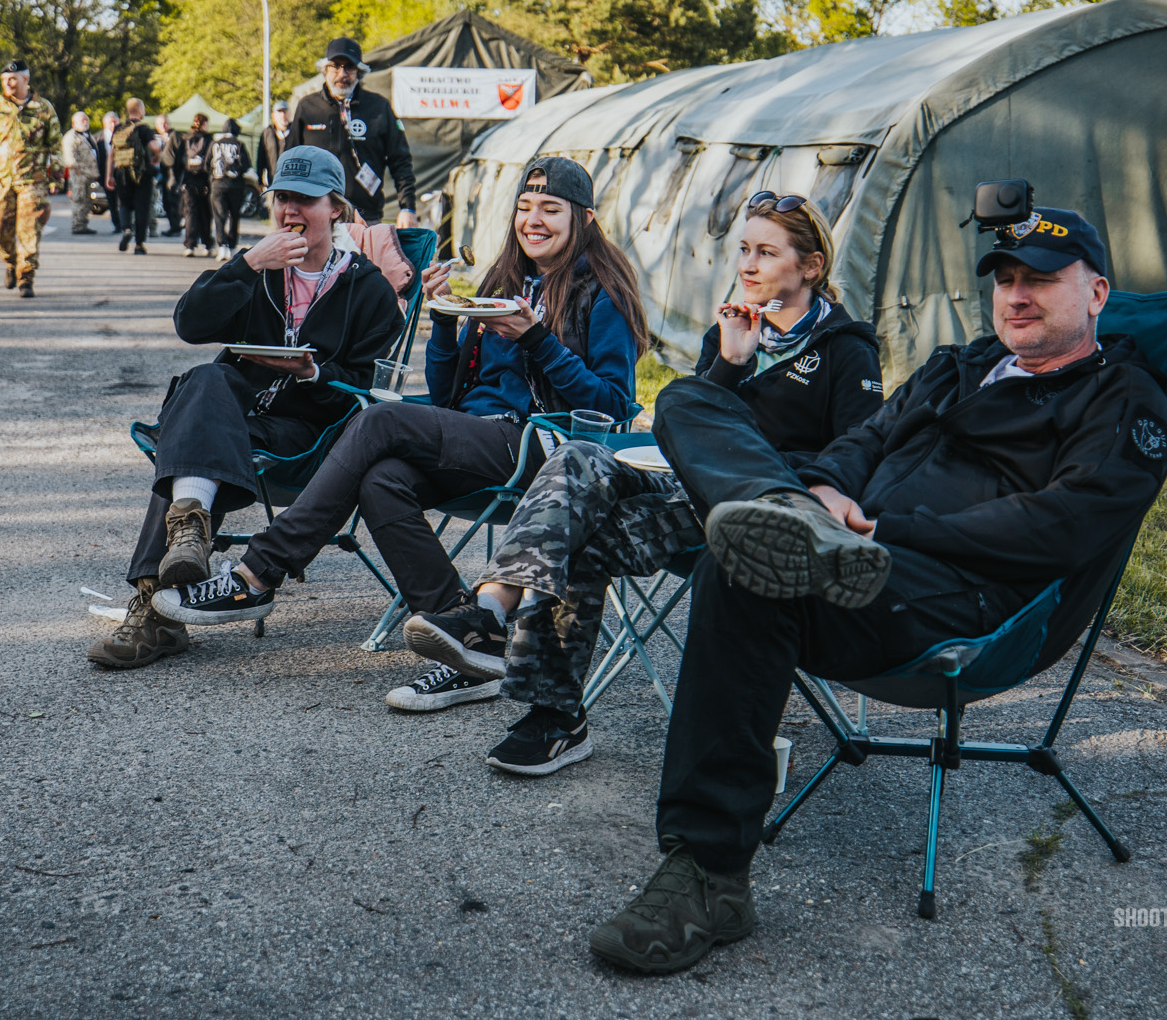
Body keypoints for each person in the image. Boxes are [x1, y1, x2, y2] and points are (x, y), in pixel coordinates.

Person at [585, 207, 1167, 975]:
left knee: (738, 572)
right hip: (851, 549)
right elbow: (864, 438)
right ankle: (789, 515)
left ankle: (708, 873)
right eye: (1005, 278)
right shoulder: (957, 364)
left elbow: (1059, 525)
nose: (1016, 293)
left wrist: (885, 527)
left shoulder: (1124, 399)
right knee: (688, 403)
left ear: (1096, 292)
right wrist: (827, 485)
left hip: (963, 593)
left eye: (1040, 278)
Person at [392, 194, 884, 772]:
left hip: (760, 511)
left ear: (810, 267)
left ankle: (550, 708)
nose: (747, 265)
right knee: (579, 458)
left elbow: (853, 456)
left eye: (766, 253)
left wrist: (733, 386)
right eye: (744, 249)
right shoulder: (728, 331)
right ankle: (495, 621)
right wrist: (728, 364)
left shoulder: (848, 350)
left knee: (586, 535)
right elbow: (691, 434)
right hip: (689, 489)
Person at [154, 157, 643, 644]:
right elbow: (451, 392)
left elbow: (614, 404)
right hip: (480, 435)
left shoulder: (602, 292)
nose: (533, 221)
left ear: (585, 218)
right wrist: (447, 322)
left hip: (544, 446)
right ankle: (467, 628)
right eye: (524, 207)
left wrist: (537, 340)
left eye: (551, 209)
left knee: (380, 421)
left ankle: (256, 574)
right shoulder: (505, 282)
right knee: (381, 479)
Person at [88, 146, 405, 669]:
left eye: (305, 200)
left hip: (303, 434)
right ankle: (187, 530)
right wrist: (249, 262)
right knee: (207, 379)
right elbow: (190, 323)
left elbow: (370, 390)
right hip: (230, 416)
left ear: (337, 208)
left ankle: (154, 615)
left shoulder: (367, 288)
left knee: (186, 439)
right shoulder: (259, 268)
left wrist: (314, 373)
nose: (290, 212)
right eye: (282, 198)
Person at [287, 38, 416, 227]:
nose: (342, 73)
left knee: (364, 257)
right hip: (315, 215)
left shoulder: (379, 107)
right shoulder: (307, 107)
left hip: (365, 217)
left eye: (349, 67)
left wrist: (408, 207)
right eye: (335, 66)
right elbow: (290, 160)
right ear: (325, 69)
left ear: (359, 72)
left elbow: (401, 161)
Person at [0, 60, 58, 298]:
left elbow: (55, 143)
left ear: (25, 80)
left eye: (12, 79)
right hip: (0, 181)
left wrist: (57, 175)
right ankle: (11, 261)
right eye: (4, 79)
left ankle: (26, 278)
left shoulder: (43, 108)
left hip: (33, 181)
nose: (7, 83)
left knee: (29, 231)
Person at [109, 98, 160, 255]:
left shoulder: (118, 128)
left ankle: (126, 229)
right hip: (141, 173)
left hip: (121, 172)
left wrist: (108, 175)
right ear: (139, 111)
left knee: (124, 204)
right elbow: (155, 146)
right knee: (141, 207)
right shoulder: (144, 128)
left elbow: (111, 154)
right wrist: (157, 157)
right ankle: (139, 244)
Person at [208, 117, 250, 261]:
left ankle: (221, 245)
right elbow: (246, 164)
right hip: (236, 186)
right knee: (234, 216)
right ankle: (232, 246)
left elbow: (207, 163)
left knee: (219, 216)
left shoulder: (215, 144)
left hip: (218, 185)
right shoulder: (239, 144)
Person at [180, 111, 214, 256]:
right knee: (205, 213)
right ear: (205, 124)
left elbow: (180, 160)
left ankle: (190, 244)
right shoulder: (208, 139)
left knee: (190, 213)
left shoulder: (186, 138)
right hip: (204, 181)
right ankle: (207, 243)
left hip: (188, 181)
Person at [62, 111, 99, 234]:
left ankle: (83, 224)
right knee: (79, 199)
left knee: (88, 200)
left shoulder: (88, 136)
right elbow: (69, 156)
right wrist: (76, 168)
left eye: (86, 120)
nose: (85, 122)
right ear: (74, 123)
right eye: (82, 120)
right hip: (79, 174)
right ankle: (77, 225)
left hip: (89, 174)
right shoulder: (71, 137)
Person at [153, 114, 184, 237]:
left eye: (165, 123)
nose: (163, 126)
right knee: (167, 202)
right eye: (160, 124)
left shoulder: (175, 136)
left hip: (173, 175)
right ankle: (173, 226)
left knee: (173, 202)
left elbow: (180, 156)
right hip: (164, 175)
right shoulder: (159, 138)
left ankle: (176, 227)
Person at [255, 99, 293, 185]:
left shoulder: (296, 130)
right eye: (279, 112)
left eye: (285, 111)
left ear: (289, 113)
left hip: (293, 181)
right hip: (274, 181)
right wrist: (260, 181)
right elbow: (261, 159)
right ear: (273, 115)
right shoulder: (267, 133)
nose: (283, 115)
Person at [99, 110, 123, 234]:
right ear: (105, 124)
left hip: (121, 172)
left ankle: (125, 223)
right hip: (105, 174)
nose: (113, 124)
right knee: (112, 200)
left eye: (115, 121)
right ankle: (117, 224)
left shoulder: (124, 135)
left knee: (122, 199)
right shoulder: (98, 138)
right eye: (111, 122)